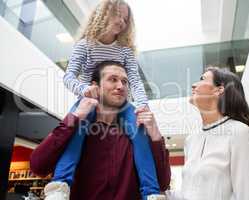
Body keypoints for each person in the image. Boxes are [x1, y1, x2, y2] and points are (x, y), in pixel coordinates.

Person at [45, 0, 163, 199]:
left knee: (140, 132)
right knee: (76, 133)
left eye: (126, 20)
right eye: (118, 15)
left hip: (121, 104)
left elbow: (134, 80)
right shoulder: (85, 45)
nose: (122, 23)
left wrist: (142, 105)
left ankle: (151, 193)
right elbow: (69, 76)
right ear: (103, 14)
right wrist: (84, 89)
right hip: (89, 100)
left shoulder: (124, 50)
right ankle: (60, 185)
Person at [30, 61, 171, 200]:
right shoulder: (75, 129)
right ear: (95, 86)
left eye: (124, 81)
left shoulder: (136, 134)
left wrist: (156, 136)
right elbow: (38, 166)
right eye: (113, 79)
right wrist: (74, 117)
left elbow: (163, 183)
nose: (121, 86)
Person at [166, 67, 249, 200]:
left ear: (219, 90)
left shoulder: (239, 132)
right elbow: (190, 194)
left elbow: (247, 195)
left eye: (202, 79)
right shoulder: (191, 139)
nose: (193, 85)